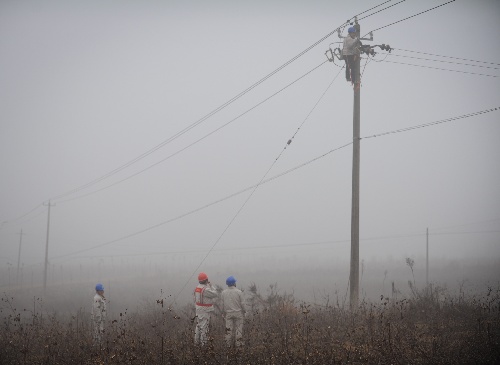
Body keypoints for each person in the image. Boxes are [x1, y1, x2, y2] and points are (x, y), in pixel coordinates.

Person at [194, 272, 218, 346]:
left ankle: (196, 344)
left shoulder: (197, 288)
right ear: (206, 280)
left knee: (198, 327)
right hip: (205, 311)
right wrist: (211, 286)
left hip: (198, 310)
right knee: (204, 328)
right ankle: (203, 346)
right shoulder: (205, 289)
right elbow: (215, 294)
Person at [221, 275, 246, 347]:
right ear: (234, 283)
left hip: (228, 314)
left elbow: (222, 304)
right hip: (238, 313)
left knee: (228, 331)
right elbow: (243, 304)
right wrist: (245, 311)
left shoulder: (223, 293)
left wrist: (223, 313)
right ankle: (238, 346)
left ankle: (227, 346)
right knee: (239, 330)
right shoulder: (239, 292)